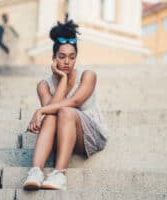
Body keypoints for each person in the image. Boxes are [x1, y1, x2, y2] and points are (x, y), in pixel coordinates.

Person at [23, 18, 108, 191]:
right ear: (53, 58)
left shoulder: (88, 75)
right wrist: (62, 79)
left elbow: (74, 102)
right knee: (55, 114)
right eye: (61, 57)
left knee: (66, 111)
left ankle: (59, 174)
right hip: (62, 133)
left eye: (72, 57)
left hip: (90, 135)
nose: (67, 62)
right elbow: (51, 114)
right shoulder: (44, 85)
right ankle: (36, 171)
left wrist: (40, 110)